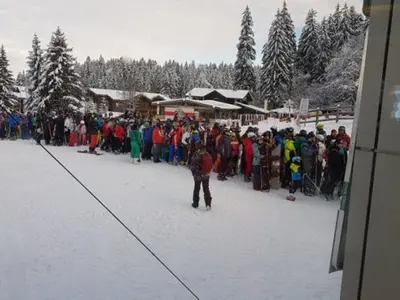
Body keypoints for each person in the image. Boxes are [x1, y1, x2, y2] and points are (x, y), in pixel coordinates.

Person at [190, 140, 213, 210]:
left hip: (198, 175)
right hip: (206, 174)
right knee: (206, 188)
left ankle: (195, 203)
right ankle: (208, 204)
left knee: (197, 188)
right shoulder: (207, 153)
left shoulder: (196, 154)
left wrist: (194, 174)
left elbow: (193, 166)